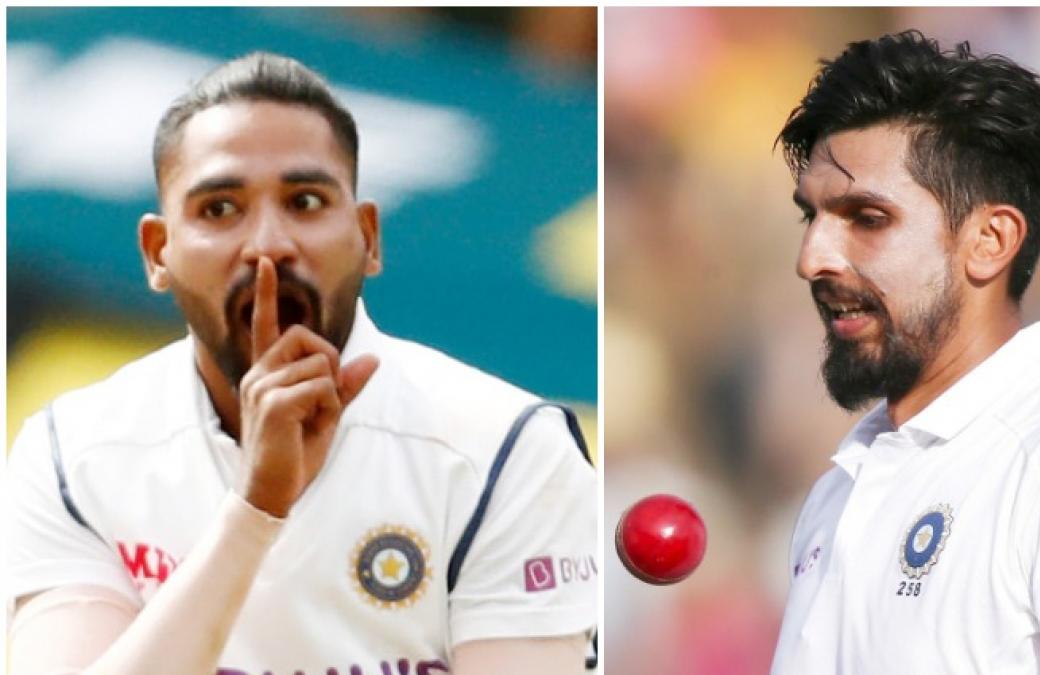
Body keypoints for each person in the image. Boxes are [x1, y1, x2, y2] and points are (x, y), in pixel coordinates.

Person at [6, 52, 597, 675]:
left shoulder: (507, 451)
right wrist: (254, 511)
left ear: (369, 237)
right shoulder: (70, 453)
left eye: (306, 201)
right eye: (220, 210)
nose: (268, 246)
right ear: (158, 252)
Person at [769, 31, 1040, 674]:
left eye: (867, 217)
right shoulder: (838, 491)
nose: (813, 260)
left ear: (991, 241)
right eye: (814, 217)